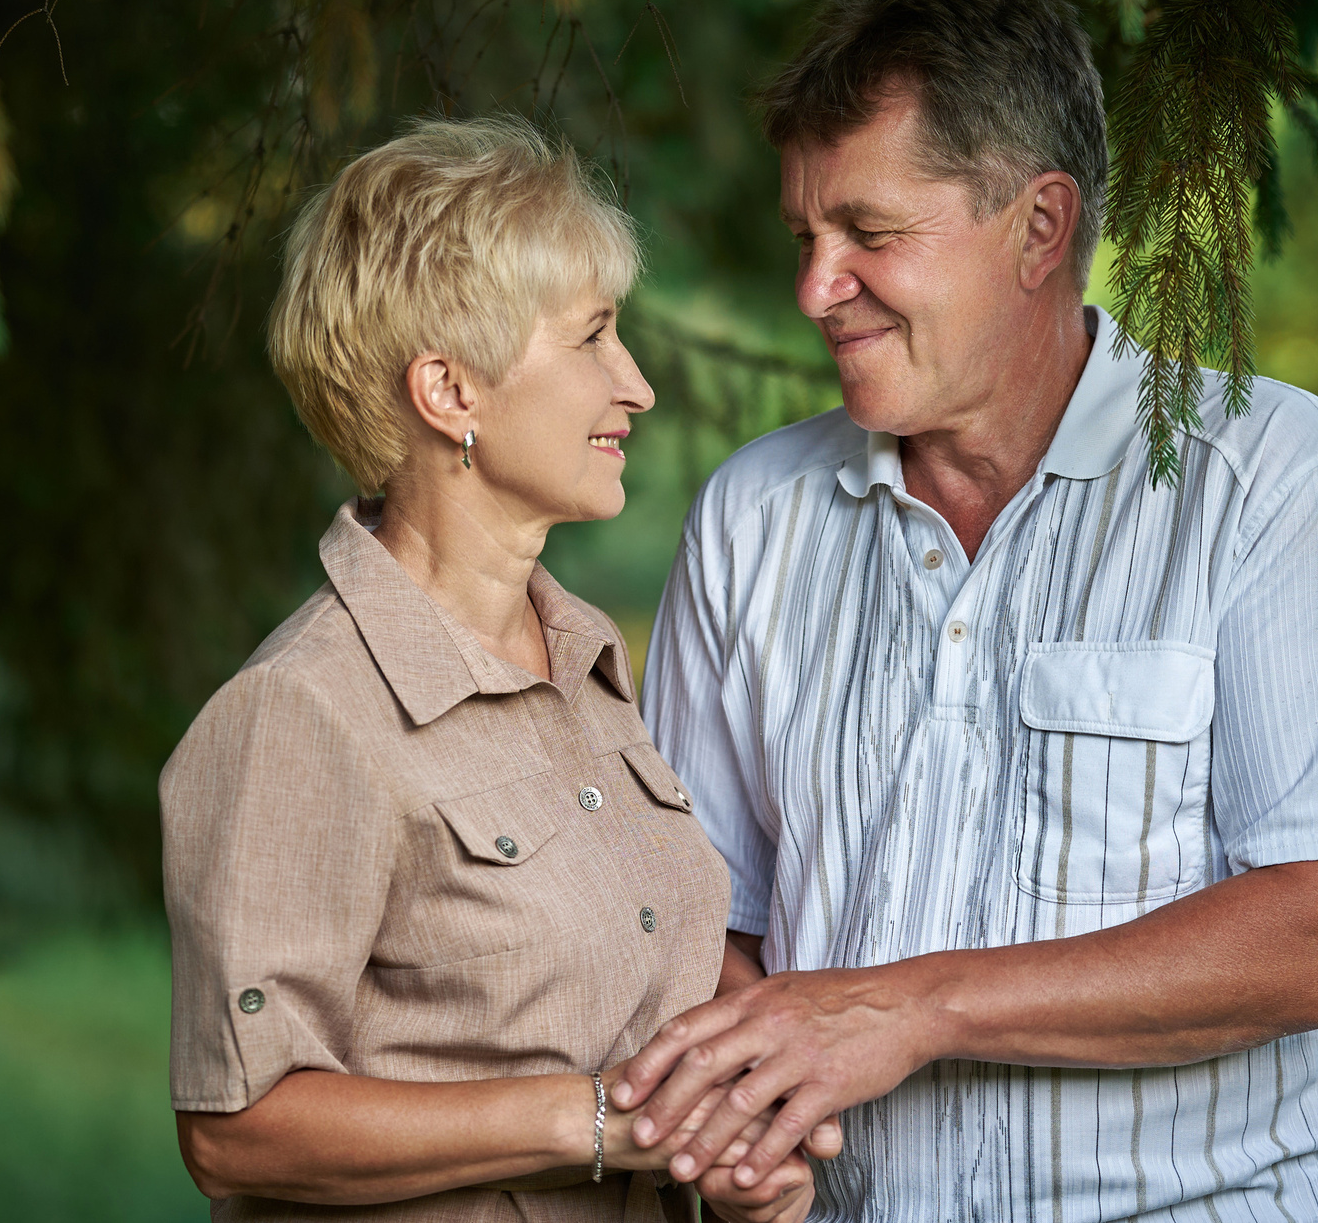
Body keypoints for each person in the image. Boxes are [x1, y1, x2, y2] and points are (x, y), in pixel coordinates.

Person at [616, 0, 1318, 1222]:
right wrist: (746, 1109)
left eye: (869, 233)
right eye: (805, 239)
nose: (815, 287)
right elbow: (688, 910)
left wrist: (919, 1005)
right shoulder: (751, 514)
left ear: (1038, 226)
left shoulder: (1267, 478)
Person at [163, 117, 838, 1222]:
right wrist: (592, 1120)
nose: (636, 385)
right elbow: (237, 1130)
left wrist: (736, 1137)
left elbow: (639, 978)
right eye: (591, 338)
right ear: (450, 392)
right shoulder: (303, 709)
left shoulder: (590, 670)